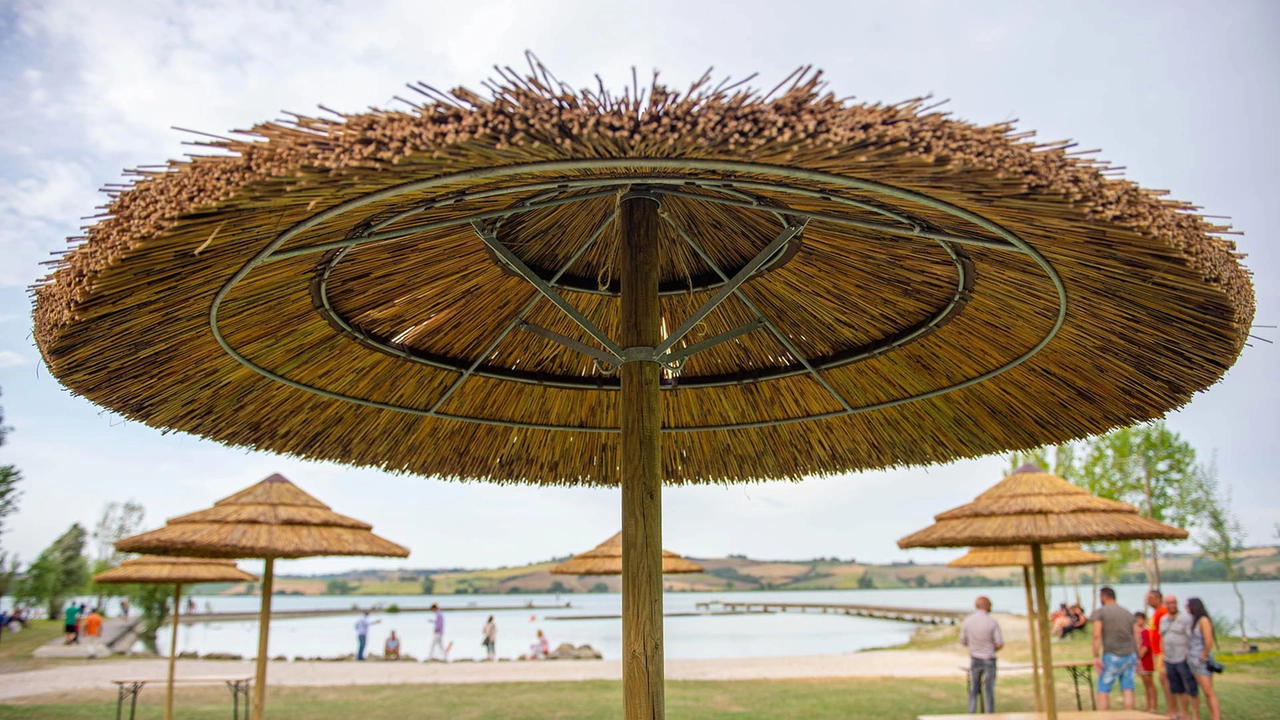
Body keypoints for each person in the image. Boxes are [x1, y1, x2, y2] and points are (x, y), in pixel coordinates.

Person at [1090, 586, 1137, 710]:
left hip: (1112, 655)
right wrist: (1138, 655)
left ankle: (1103, 716)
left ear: (1104, 597)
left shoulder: (1101, 612)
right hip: (1129, 655)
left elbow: (1096, 635)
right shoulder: (1127, 612)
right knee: (1128, 688)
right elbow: (1136, 636)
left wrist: (1095, 656)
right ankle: (1130, 716)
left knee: (1103, 689)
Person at [958, 595, 1003, 714]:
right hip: (989, 658)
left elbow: (962, 640)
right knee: (989, 690)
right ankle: (989, 714)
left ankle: (971, 713)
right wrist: (989, 648)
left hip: (975, 658)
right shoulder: (991, 622)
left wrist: (975, 646)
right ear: (987, 606)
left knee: (973, 689)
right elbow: (999, 643)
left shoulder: (968, 621)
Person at [1160, 593, 1197, 720]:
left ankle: (1185, 714)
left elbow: (1190, 637)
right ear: (1165, 605)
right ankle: (1174, 712)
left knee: (1184, 688)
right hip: (1168, 658)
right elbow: (1162, 637)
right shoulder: (1163, 620)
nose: (1171, 605)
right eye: (1168, 603)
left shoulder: (1184, 619)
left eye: (1173, 603)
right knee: (1173, 687)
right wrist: (1162, 655)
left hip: (1181, 658)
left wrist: (1189, 652)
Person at [1186, 598, 1221, 720]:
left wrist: (1203, 655)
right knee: (1202, 690)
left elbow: (1209, 640)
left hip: (1201, 660)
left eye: (1187, 606)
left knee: (1208, 691)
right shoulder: (1192, 621)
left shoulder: (1203, 620)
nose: (1186, 608)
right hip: (1193, 659)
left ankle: (1216, 717)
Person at [1147, 588, 1174, 716]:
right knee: (1163, 680)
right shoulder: (1156, 613)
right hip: (1156, 652)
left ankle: (1172, 709)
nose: (1148, 600)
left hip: (1162, 652)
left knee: (1165, 679)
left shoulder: (1162, 612)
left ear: (1158, 599)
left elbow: (1166, 633)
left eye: (1151, 598)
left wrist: (1164, 652)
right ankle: (1170, 708)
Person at [1134, 611, 1157, 712]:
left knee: (1149, 683)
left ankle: (1154, 706)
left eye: (1140, 619)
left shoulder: (1146, 632)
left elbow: (1145, 647)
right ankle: (1148, 705)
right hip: (1140, 660)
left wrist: (1139, 657)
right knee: (1145, 684)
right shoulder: (1138, 633)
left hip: (1146, 660)